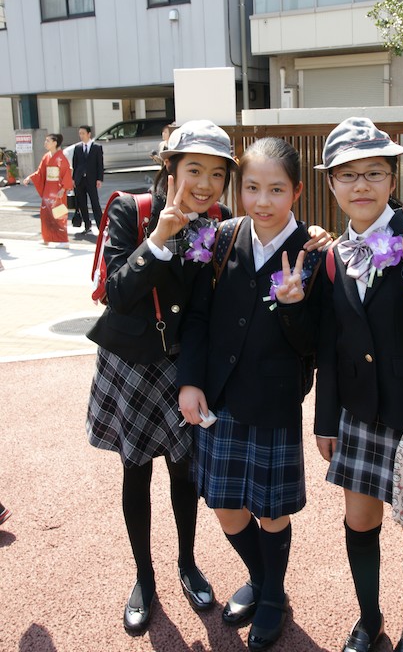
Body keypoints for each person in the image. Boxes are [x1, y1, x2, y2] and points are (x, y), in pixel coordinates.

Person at [313, 117, 403, 652]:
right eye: (348, 175)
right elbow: (331, 345)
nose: (361, 186)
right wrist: (325, 420)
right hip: (358, 412)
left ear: (393, 180)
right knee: (359, 520)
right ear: (332, 184)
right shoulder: (333, 255)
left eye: (374, 173)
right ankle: (369, 618)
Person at [85, 120, 236, 635]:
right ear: (169, 167)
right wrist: (158, 240)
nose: (205, 185)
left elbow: (209, 304)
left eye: (217, 174)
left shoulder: (220, 221)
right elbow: (117, 293)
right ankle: (144, 577)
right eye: (194, 169)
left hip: (183, 365)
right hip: (131, 362)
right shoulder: (131, 210)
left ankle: (187, 563)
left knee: (184, 470)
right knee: (136, 471)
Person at [177, 137, 324, 651]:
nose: (263, 201)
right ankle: (265, 582)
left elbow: (315, 344)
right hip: (219, 398)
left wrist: (294, 307)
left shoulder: (312, 252)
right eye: (252, 187)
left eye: (276, 189)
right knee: (225, 506)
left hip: (274, 401)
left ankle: (271, 597)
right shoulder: (221, 237)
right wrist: (190, 381)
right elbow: (198, 318)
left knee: (272, 512)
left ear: (297, 192)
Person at [23, 133, 73, 248]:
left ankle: (63, 240)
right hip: (48, 188)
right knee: (45, 214)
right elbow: (40, 172)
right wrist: (30, 177)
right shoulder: (46, 156)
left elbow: (66, 173)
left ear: (55, 143)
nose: (45, 143)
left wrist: (64, 188)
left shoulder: (61, 157)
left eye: (48, 141)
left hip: (58, 189)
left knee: (59, 214)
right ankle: (47, 238)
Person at [72, 125, 104, 234]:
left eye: (83, 133)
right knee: (82, 204)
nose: (81, 135)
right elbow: (75, 164)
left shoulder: (97, 147)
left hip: (92, 179)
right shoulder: (77, 147)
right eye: (80, 133)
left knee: (95, 203)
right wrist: (73, 179)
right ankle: (87, 225)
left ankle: (101, 227)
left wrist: (99, 179)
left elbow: (100, 164)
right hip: (79, 179)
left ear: (89, 134)